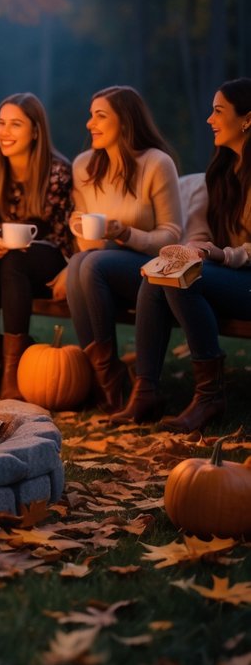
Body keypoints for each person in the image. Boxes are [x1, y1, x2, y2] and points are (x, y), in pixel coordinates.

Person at [113, 78, 251, 431]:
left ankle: (209, 397)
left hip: (244, 278)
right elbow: (200, 230)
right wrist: (190, 250)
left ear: (247, 119)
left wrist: (222, 255)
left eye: (218, 111)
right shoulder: (222, 170)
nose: (209, 119)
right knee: (160, 276)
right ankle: (146, 391)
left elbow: (229, 252)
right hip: (228, 273)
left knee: (184, 279)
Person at [66, 85, 182, 412]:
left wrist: (127, 234)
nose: (90, 124)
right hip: (100, 270)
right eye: (90, 115)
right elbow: (87, 240)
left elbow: (173, 236)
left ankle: (109, 382)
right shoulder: (84, 165)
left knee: (89, 264)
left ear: (126, 121)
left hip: (150, 269)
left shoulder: (156, 163)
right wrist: (80, 229)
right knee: (80, 262)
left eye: (100, 116)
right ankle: (105, 377)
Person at [0, 93, 73, 399]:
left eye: (16, 124)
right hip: (2, 264)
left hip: (47, 263)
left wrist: (20, 247)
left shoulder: (58, 173)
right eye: (1, 123)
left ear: (35, 131)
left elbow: (63, 238)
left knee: (15, 260)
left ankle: (12, 372)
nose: (5, 131)